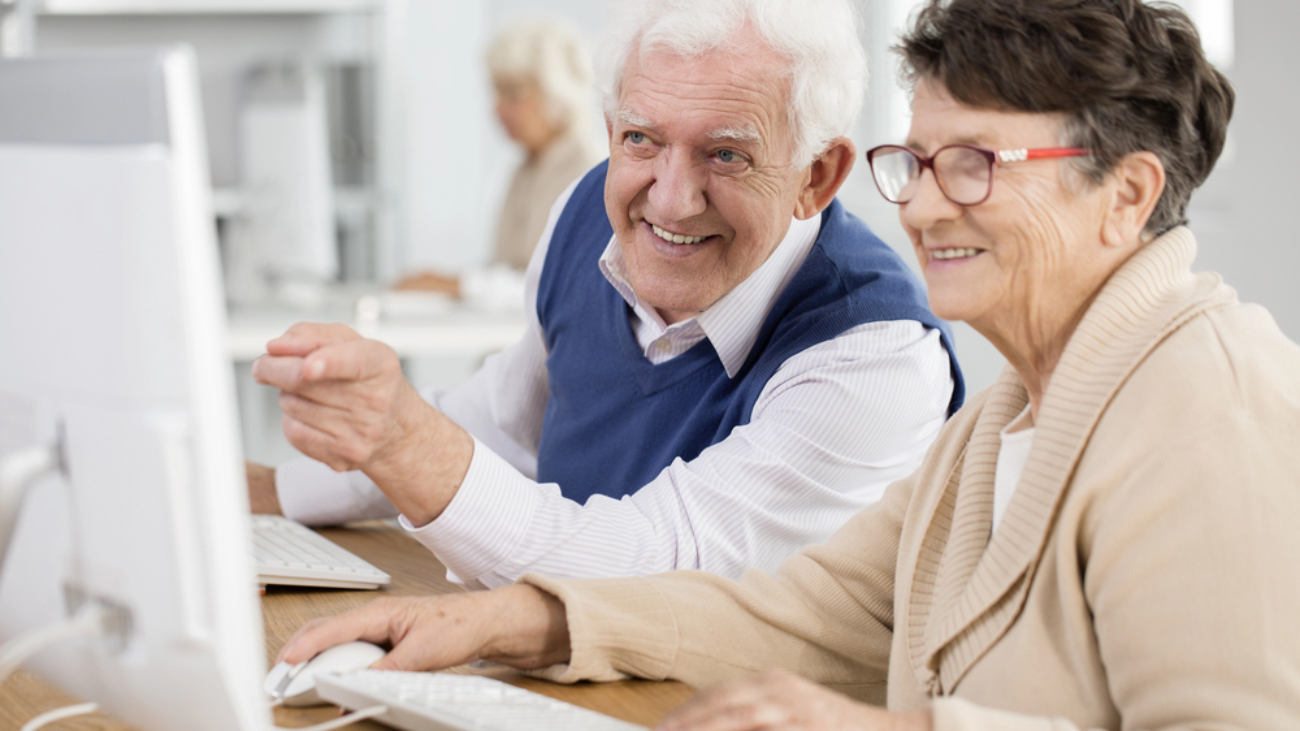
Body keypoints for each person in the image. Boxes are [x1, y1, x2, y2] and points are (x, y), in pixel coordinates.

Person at [273, 0, 1300, 729]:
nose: (927, 206)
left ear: (1125, 196)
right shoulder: (1006, 421)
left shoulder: (1209, 407)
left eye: (976, 164)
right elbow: (800, 614)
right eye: (922, 161)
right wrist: (509, 618)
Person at [247, 0, 964, 589]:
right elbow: (506, 422)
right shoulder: (587, 210)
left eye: (727, 154)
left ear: (818, 176)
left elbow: (653, 568)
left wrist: (405, 440)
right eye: (643, 140)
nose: (674, 201)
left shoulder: (875, 354)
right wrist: (279, 492)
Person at [394, 20, 605, 300]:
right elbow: (509, 269)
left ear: (558, 92)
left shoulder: (589, 172)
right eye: (496, 92)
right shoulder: (527, 168)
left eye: (514, 93)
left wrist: (455, 285)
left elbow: (557, 287)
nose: (498, 107)